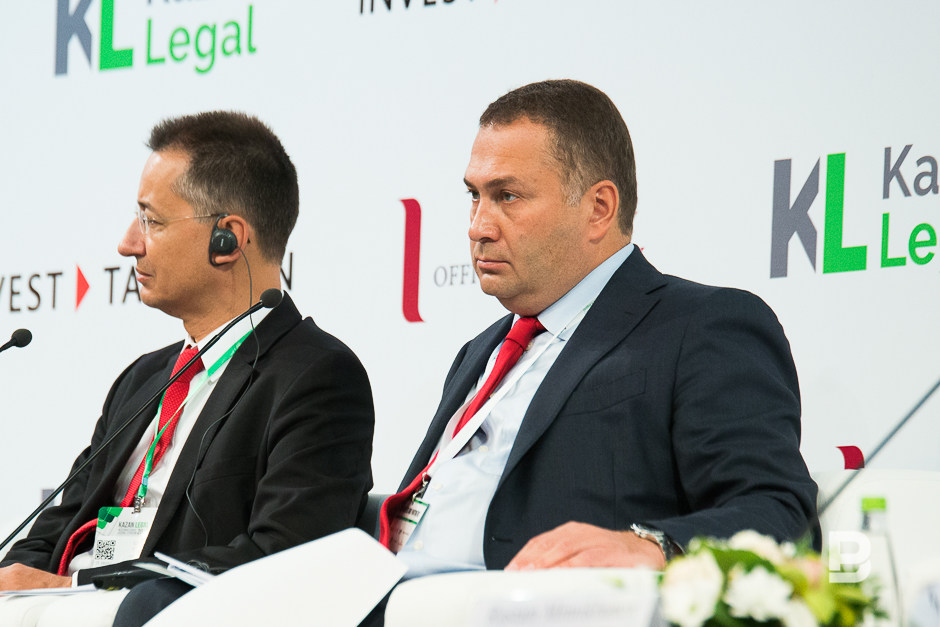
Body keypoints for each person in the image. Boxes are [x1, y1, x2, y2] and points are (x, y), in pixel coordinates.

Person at [378, 79, 818, 588]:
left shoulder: (701, 326)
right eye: (474, 197)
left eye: (507, 196)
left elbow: (779, 514)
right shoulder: (479, 352)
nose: (478, 226)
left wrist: (652, 546)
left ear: (599, 208)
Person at [0, 112, 374, 608]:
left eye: (151, 221)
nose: (127, 244)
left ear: (227, 239)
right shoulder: (143, 379)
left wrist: (76, 588)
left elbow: (282, 557)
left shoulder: (317, 378)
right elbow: (53, 531)